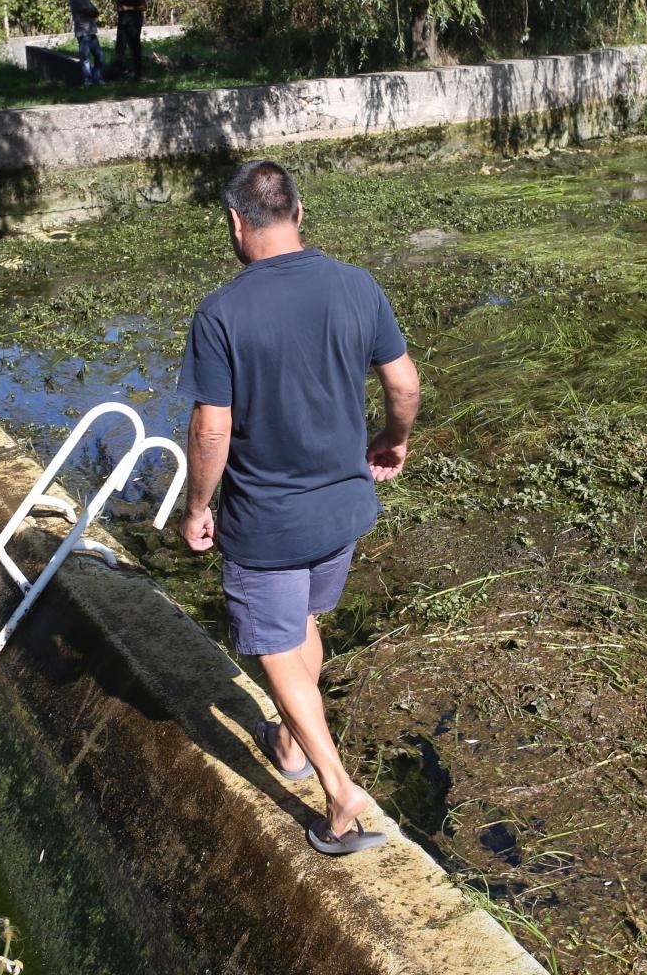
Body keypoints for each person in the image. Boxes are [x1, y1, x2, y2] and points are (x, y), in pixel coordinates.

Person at [177, 161, 421, 856]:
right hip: (343, 510)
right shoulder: (356, 286)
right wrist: (394, 442)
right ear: (299, 211)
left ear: (234, 222)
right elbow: (403, 384)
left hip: (268, 523)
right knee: (302, 622)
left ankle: (340, 793)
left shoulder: (222, 312)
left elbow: (212, 429)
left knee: (278, 644)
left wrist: (199, 506)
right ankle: (288, 740)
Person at [68, 0, 105, 86]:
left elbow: (95, 11)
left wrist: (94, 12)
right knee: (85, 58)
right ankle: (88, 80)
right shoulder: (75, 0)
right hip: (83, 33)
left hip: (91, 32)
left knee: (99, 55)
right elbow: (90, 12)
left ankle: (97, 78)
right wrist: (93, 12)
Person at [112, 0, 146, 80]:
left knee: (135, 47)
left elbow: (143, 7)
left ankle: (138, 73)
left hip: (133, 22)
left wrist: (128, 8)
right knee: (120, 48)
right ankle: (119, 73)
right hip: (122, 22)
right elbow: (118, 2)